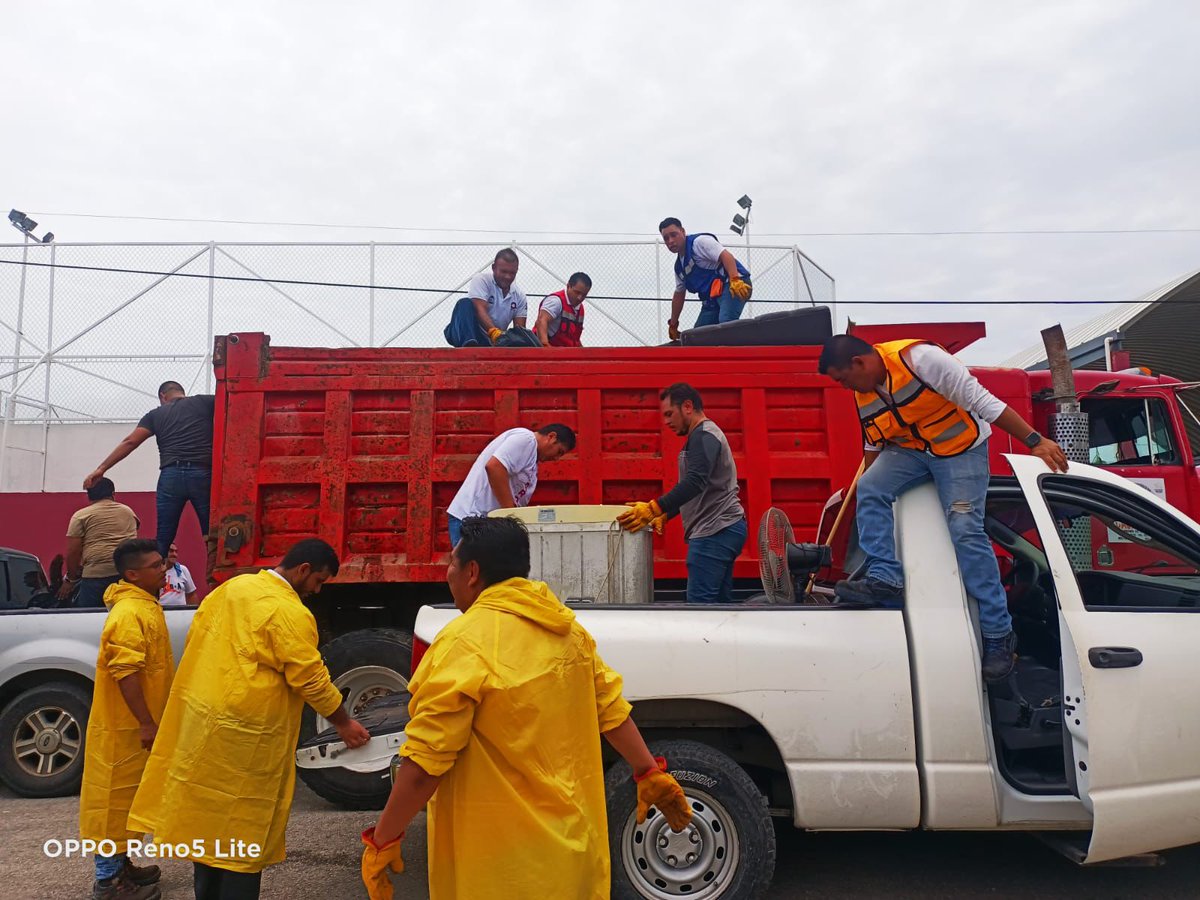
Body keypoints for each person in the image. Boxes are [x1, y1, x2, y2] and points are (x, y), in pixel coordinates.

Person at [361, 516, 691, 900]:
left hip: (502, 871)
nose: (447, 574)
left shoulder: (463, 643)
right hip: (574, 856)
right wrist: (647, 771)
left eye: (451, 563)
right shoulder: (569, 633)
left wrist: (383, 839)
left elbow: (425, 763)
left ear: (472, 572)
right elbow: (612, 711)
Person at [127, 539, 370, 900]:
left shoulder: (233, 588)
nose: (317, 590)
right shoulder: (289, 611)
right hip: (246, 734)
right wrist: (343, 722)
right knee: (242, 832)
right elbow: (309, 677)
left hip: (203, 724)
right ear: (303, 570)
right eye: (319, 581)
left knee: (206, 828)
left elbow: (199, 637)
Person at [818, 334, 1070, 681]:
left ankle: (998, 634)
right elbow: (873, 444)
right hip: (912, 452)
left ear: (859, 363)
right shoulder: (864, 393)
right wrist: (866, 492)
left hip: (959, 450)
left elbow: (984, 402)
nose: (844, 387)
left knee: (965, 528)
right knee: (871, 488)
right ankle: (885, 579)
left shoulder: (921, 360)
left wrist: (1035, 440)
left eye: (842, 379)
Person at [78, 538, 173, 900]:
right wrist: (146, 722)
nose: (163, 569)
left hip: (137, 726)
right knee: (112, 804)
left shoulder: (145, 606)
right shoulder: (128, 614)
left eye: (163, 562)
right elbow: (126, 672)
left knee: (131, 800)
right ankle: (108, 883)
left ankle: (121, 864)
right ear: (132, 574)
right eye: (155, 565)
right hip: (125, 728)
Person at [618, 384, 747, 603]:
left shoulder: (704, 435)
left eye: (669, 414)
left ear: (687, 406)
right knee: (720, 606)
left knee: (700, 606)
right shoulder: (703, 435)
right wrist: (665, 515)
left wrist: (653, 508)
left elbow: (694, 482)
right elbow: (698, 488)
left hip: (714, 530)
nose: (666, 421)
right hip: (724, 528)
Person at [84, 381, 216, 559]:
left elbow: (130, 442)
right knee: (212, 533)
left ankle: (154, 581)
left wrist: (101, 469)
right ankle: (220, 576)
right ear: (181, 392)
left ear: (162, 396)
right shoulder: (204, 402)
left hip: (171, 475)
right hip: (202, 473)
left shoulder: (155, 415)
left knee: (164, 537)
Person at [445, 424, 576, 548]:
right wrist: (510, 514)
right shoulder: (526, 440)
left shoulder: (532, 459)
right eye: (559, 451)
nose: (556, 459)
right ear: (551, 437)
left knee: (488, 570)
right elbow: (494, 467)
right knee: (470, 569)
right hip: (473, 519)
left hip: (488, 525)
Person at [659, 217, 752, 340]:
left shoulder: (699, 243)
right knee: (697, 336)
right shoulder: (679, 268)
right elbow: (679, 294)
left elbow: (726, 256)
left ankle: (739, 353)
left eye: (673, 235)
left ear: (683, 231)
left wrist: (735, 280)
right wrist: (673, 324)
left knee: (726, 322)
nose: (670, 241)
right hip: (712, 298)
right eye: (666, 238)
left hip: (734, 285)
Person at [61, 478, 140, 608]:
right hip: (125, 575)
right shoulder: (128, 512)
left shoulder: (81, 516)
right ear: (113, 494)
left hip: (95, 577)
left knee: (89, 620)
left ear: (89, 496)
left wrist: (70, 580)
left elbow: (73, 552)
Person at [443, 249, 529, 347]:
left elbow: (520, 329)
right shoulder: (481, 280)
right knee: (464, 303)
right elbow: (480, 309)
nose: (508, 277)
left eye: (512, 273)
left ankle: (476, 347)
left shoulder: (520, 296)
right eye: (504, 271)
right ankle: (469, 346)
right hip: (464, 332)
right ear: (493, 268)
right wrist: (494, 332)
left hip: (488, 342)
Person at [535, 272, 591, 347]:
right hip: (551, 352)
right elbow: (541, 320)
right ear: (568, 286)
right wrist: (545, 346)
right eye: (577, 292)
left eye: (584, 295)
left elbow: (574, 339)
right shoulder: (556, 301)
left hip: (565, 353)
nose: (579, 298)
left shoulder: (580, 309)